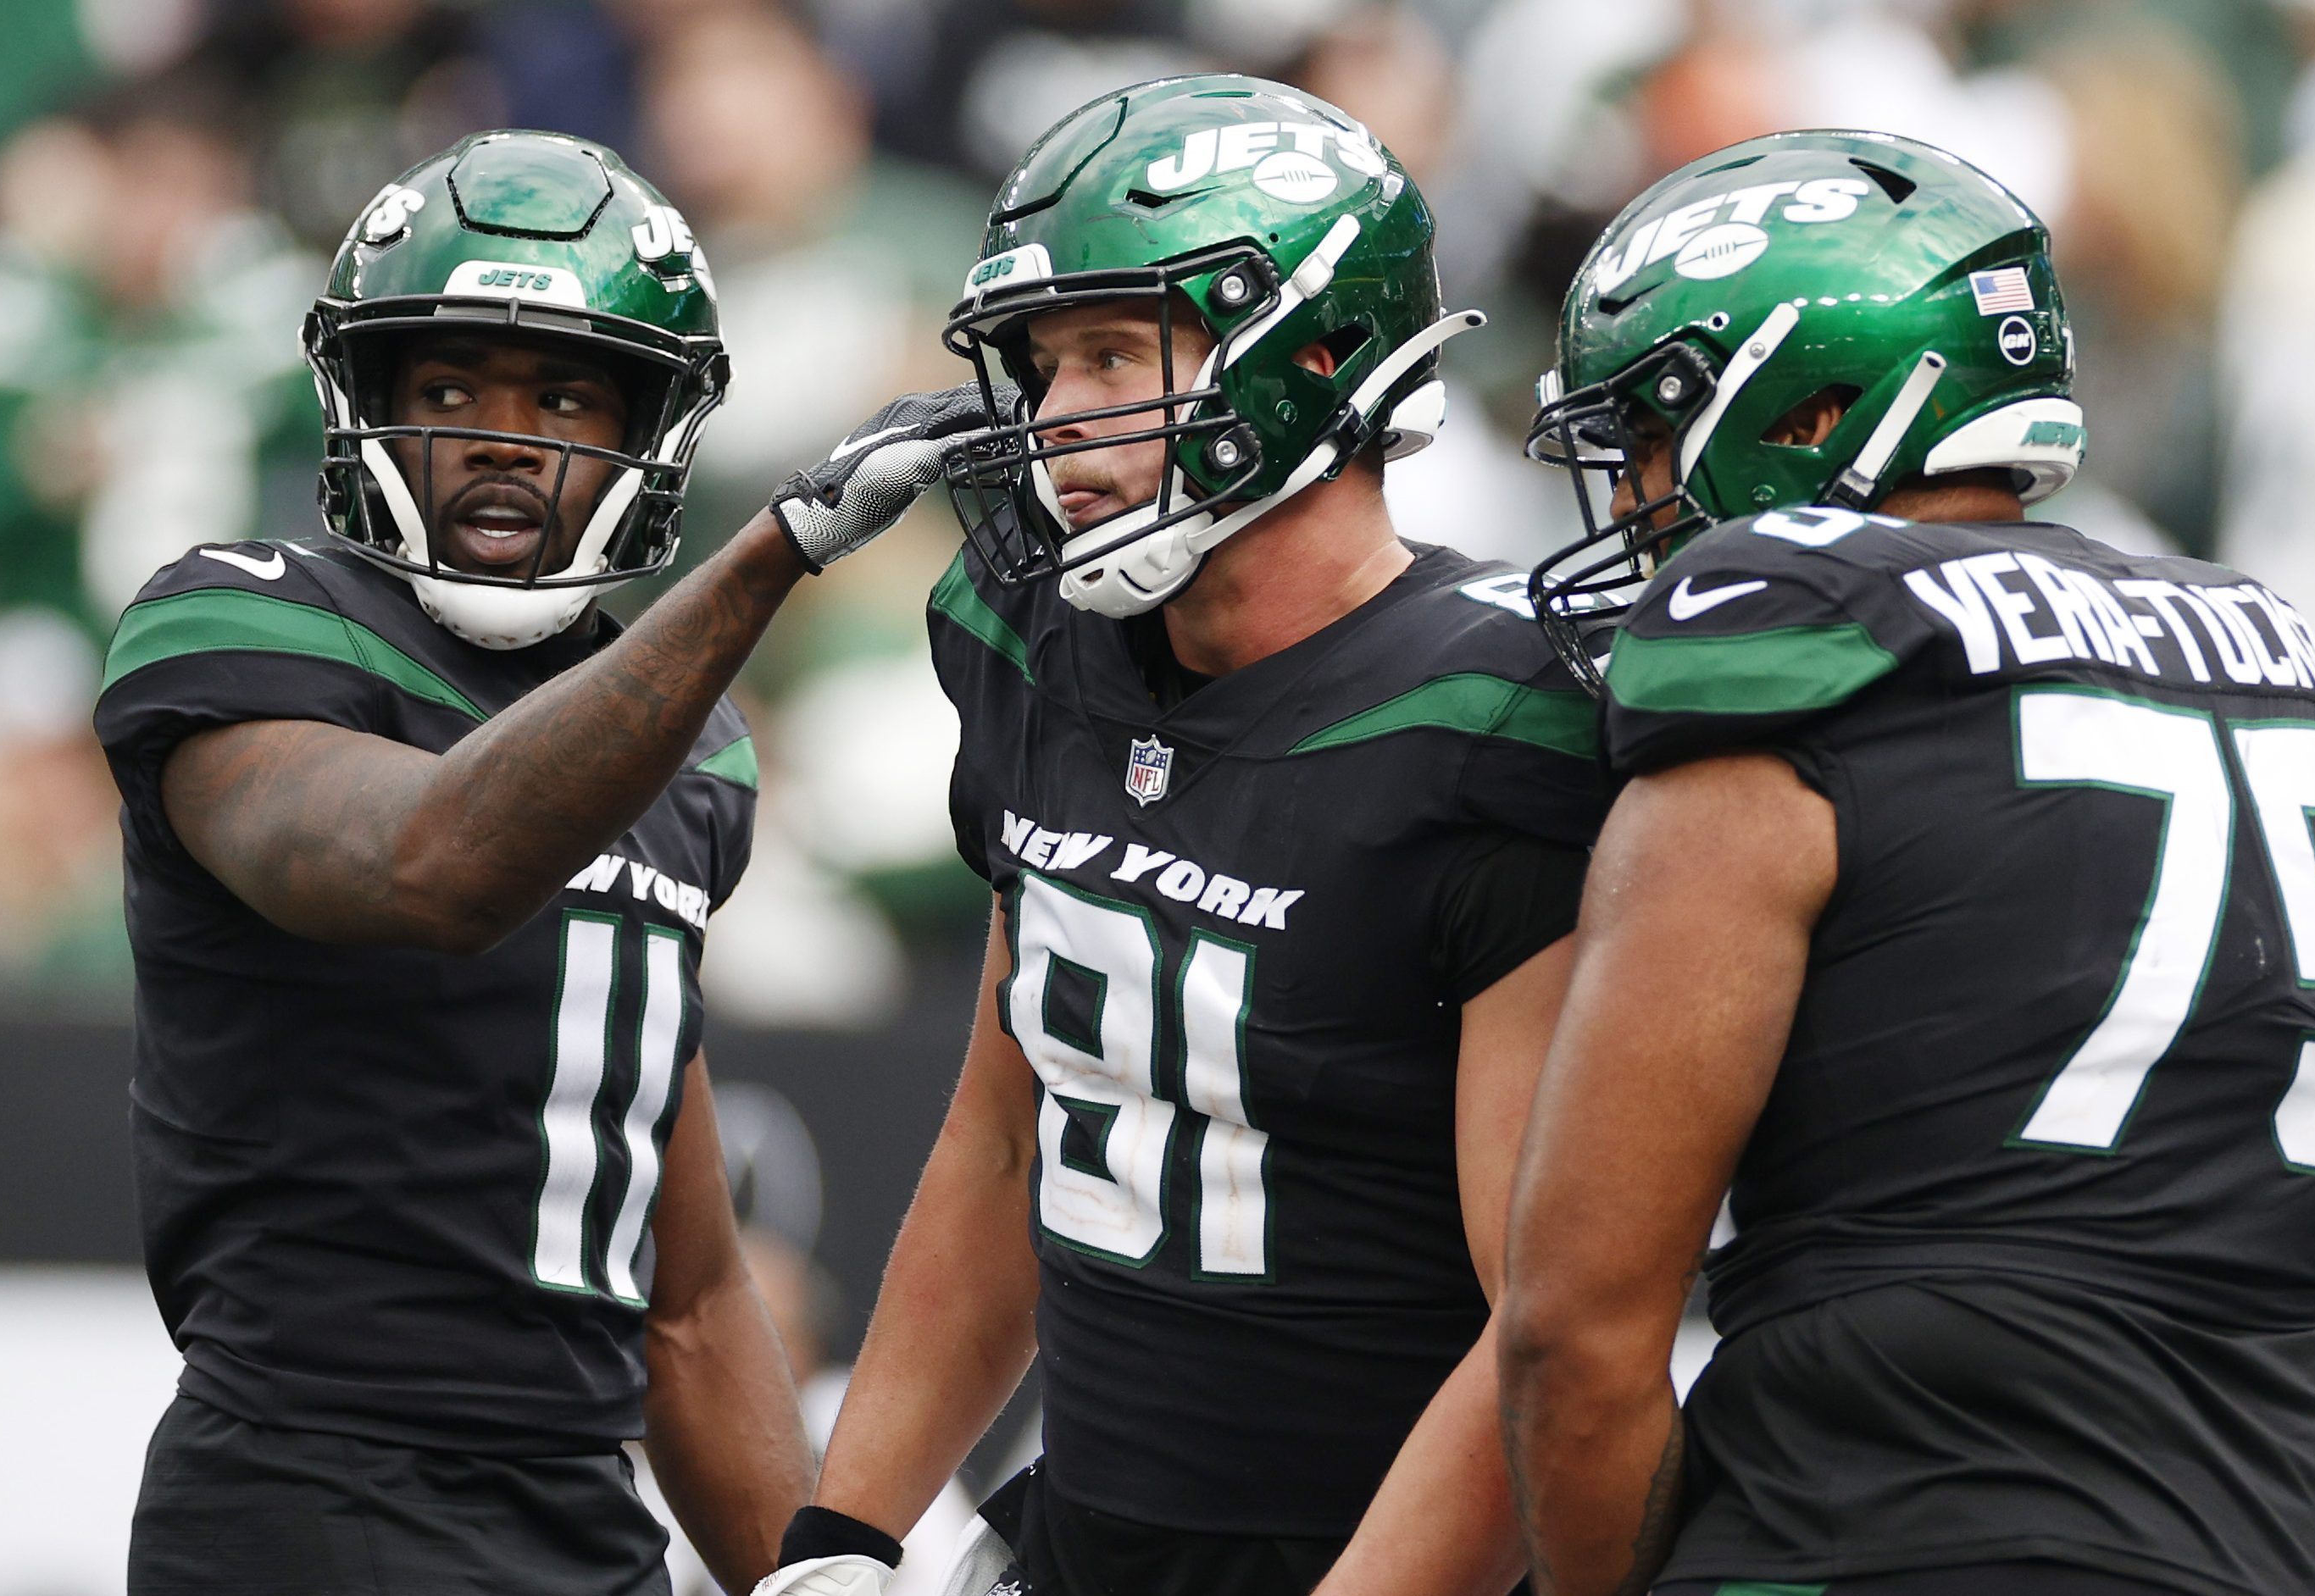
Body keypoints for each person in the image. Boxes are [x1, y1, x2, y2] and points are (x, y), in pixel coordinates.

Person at [96, 129, 1002, 1595]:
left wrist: (809, 1574)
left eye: (568, 395)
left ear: (652, 427)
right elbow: (435, 864)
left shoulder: (685, 751)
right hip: (305, 1494)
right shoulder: (241, 625)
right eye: (450, 388)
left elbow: (691, 1300)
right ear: (367, 402)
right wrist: (771, 554)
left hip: (582, 1523)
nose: (506, 437)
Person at [750, 75, 1607, 1596]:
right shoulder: (1039, 648)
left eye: (1113, 353)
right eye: (1039, 362)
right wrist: (846, 1531)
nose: (1057, 412)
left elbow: (1536, 1326)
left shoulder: (1494, 721)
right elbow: (1009, 1133)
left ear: (1314, 351)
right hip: (1085, 1530)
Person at [1497, 130, 2315, 1596]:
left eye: (1652, 429)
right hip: (2257, 1523)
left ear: (1813, 403)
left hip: (1887, 1510)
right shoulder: (2242, 636)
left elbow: (1572, 1337)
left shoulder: (1789, 622)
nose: (1635, 493)